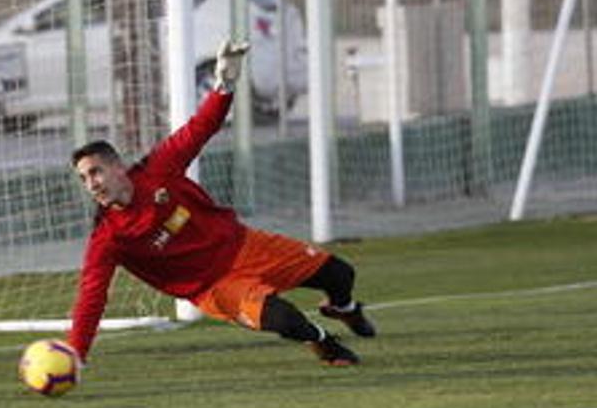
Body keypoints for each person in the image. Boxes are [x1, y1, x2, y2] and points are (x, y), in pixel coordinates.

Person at [67, 39, 375, 367]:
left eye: (95, 173)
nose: (91, 184)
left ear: (117, 166)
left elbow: (201, 128)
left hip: (247, 245)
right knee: (286, 320)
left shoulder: (157, 169)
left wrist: (225, 83)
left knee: (340, 274)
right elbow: (92, 296)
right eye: (84, 179)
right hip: (215, 286)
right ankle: (323, 342)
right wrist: (76, 353)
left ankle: (343, 309)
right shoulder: (108, 237)